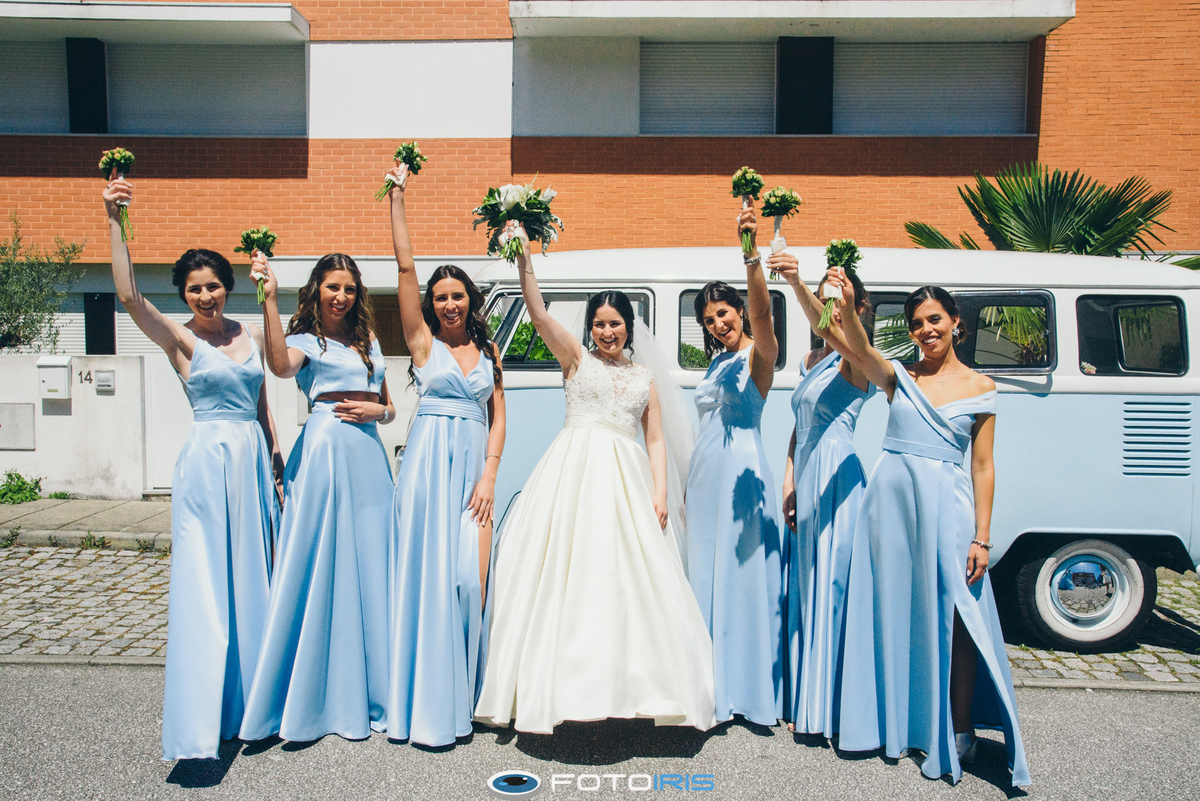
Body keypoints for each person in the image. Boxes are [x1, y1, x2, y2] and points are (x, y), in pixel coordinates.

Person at [474, 224, 716, 734]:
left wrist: (660, 493)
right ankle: (559, 689)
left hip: (626, 480)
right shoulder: (574, 358)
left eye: (616, 324)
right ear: (589, 328)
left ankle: (632, 688)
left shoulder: (644, 377)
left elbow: (654, 439)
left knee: (625, 580)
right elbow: (538, 313)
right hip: (572, 473)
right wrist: (523, 257)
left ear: (629, 327)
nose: (608, 332)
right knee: (566, 573)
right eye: (600, 324)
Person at [102, 177, 281, 761]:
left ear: (228, 287)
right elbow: (129, 296)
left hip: (251, 464)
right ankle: (204, 716)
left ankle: (254, 706)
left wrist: (276, 456)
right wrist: (114, 220)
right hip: (207, 466)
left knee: (252, 579)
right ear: (184, 294)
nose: (206, 296)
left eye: (214, 286)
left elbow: (260, 403)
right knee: (207, 584)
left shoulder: (248, 334)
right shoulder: (179, 340)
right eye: (195, 288)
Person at [827, 277, 1030, 787]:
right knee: (894, 610)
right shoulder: (899, 375)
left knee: (958, 618)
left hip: (948, 507)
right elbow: (860, 350)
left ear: (956, 322)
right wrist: (848, 306)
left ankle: (958, 728)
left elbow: (982, 465)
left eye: (934, 319)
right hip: (890, 507)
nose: (926, 330)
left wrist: (982, 537)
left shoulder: (981, 387)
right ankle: (893, 725)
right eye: (916, 324)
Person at [239, 251, 396, 743]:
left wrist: (380, 414)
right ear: (317, 290)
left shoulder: (369, 341)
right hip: (326, 452)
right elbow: (279, 367)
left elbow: (389, 404)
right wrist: (268, 298)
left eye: (349, 288)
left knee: (371, 562)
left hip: (368, 455)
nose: (341, 296)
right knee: (322, 562)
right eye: (333, 287)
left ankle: (376, 686)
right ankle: (311, 690)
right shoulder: (305, 341)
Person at [383, 162, 506, 746]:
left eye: (458, 296)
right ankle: (426, 703)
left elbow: (499, 419)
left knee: (468, 583)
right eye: (441, 298)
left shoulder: (490, 349)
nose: (450, 304)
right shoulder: (422, 343)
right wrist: (398, 197)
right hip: (427, 471)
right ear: (430, 305)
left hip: (473, 477)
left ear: (469, 299)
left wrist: (489, 476)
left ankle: (467, 693)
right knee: (426, 581)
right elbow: (405, 266)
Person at [684, 203, 784, 726]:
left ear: (739, 311)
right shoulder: (716, 361)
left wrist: (751, 254)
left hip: (743, 472)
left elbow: (765, 318)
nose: (717, 323)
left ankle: (747, 689)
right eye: (708, 319)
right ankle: (709, 682)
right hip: (706, 477)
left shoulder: (758, 354)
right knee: (705, 570)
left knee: (741, 575)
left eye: (723, 313)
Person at [771, 252, 875, 737]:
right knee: (806, 584)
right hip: (808, 472)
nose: (828, 306)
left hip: (837, 472)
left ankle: (832, 707)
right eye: (824, 296)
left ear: (856, 305)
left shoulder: (860, 357)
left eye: (836, 298)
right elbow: (801, 424)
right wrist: (789, 478)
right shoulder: (810, 360)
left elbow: (832, 328)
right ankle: (804, 696)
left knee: (832, 584)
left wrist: (796, 284)